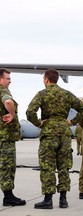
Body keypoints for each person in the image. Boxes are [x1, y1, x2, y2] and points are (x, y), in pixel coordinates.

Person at [26, 68, 83, 209]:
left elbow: (30, 112)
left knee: (47, 166)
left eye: (44, 79)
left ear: (47, 79)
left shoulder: (42, 94)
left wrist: (38, 123)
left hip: (49, 132)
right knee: (63, 166)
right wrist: (71, 122)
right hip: (64, 133)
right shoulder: (66, 94)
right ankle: (63, 199)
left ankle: (48, 199)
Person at [0, 68, 26, 206]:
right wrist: (12, 113)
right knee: (7, 167)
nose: (10, 81)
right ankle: (8, 197)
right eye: (8, 78)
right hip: (5, 138)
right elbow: (8, 102)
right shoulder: (3, 91)